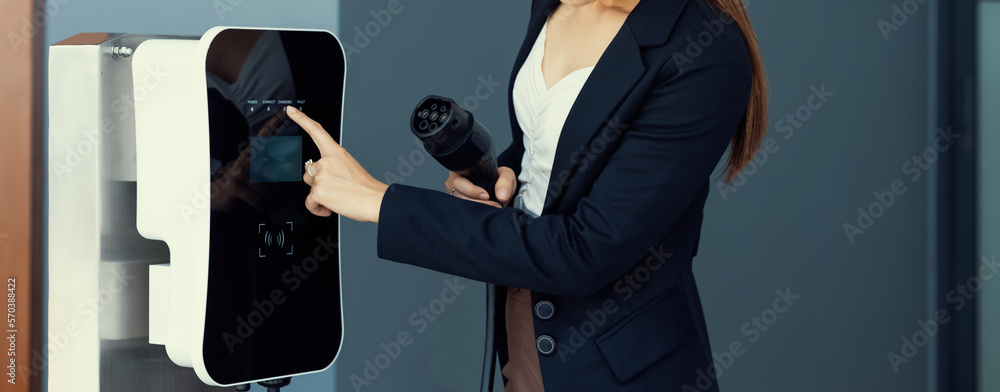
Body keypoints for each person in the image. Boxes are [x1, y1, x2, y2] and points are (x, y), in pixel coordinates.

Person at [287, 0, 767, 390]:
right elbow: (552, 143)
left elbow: (586, 251)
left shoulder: (705, 52)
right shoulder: (555, 4)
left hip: (615, 366)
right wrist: (504, 174)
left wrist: (380, 202)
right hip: (524, 328)